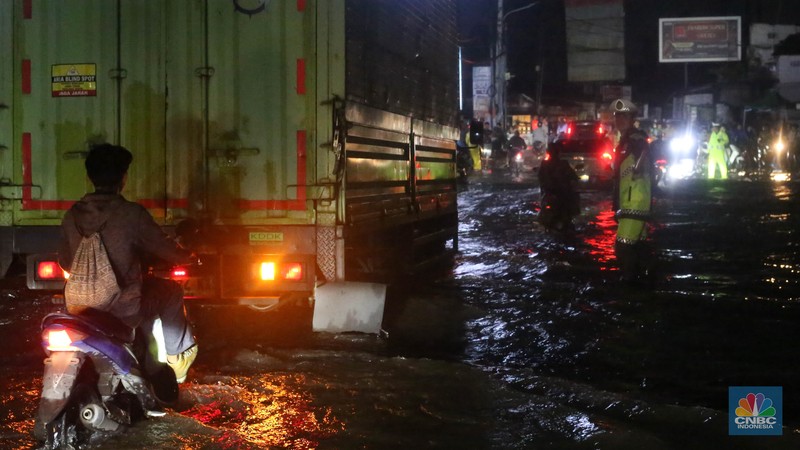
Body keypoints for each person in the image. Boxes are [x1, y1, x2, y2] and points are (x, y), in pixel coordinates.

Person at [58, 144, 199, 383]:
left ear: (89, 177)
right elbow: (166, 250)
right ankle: (178, 366)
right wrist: (190, 256)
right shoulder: (131, 214)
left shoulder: (71, 215)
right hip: (122, 309)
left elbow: (65, 261)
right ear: (123, 178)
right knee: (171, 291)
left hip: (78, 309)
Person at [611, 99, 653, 285]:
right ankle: (645, 282)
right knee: (639, 246)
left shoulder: (635, 138)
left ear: (632, 119)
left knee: (623, 246)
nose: (620, 119)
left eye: (624, 116)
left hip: (635, 200)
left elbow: (644, 150)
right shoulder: (622, 142)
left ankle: (628, 286)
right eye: (617, 116)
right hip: (629, 200)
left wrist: (638, 168)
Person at [538, 143, 580, 230]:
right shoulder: (563, 163)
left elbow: (540, 176)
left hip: (552, 192)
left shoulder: (545, 164)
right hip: (560, 192)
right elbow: (573, 175)